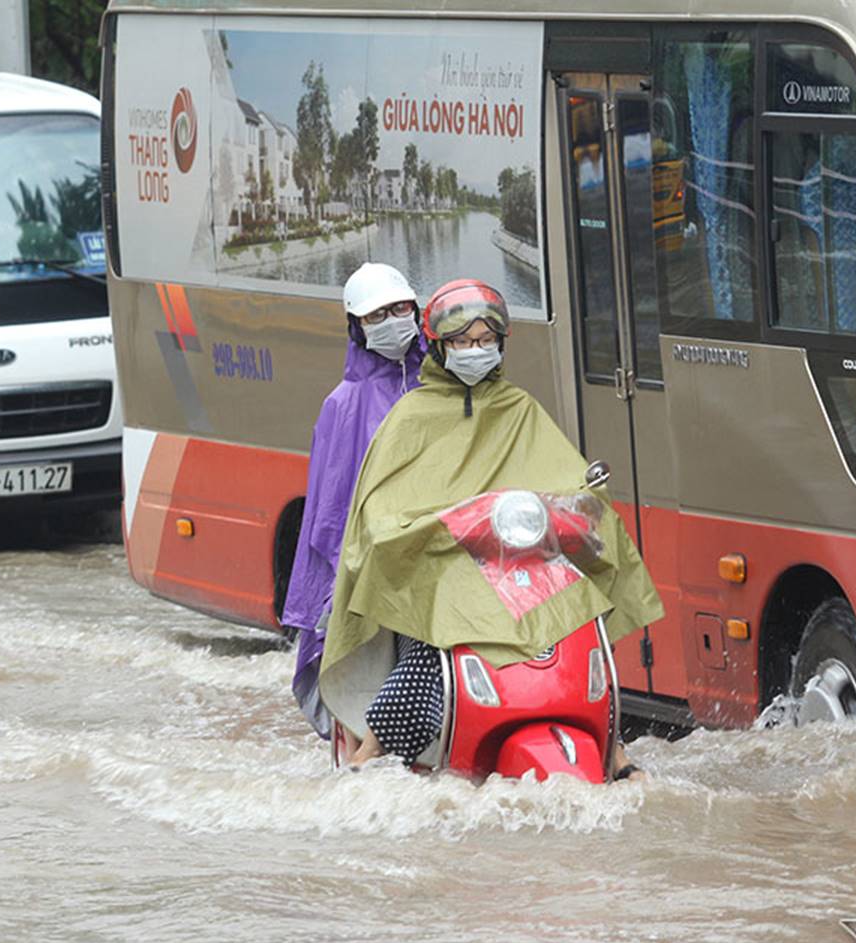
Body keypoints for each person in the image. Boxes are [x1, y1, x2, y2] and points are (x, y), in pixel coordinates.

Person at [317, 279, 664, 779]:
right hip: (443, 570)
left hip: (519, 567)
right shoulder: (410, 418)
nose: (474, 351)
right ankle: (369, 755)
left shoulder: (519, 409)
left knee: (582, 608)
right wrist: (444, 526)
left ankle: (614, 748)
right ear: (438, 346)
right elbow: (381, 516)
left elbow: (563, 477)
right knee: (434, 646)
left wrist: (581, 505)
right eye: (462, 342)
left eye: (484, 341)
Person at [280, 262, 426, 737]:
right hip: (377, 568)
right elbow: (330, 510)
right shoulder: (342, 406)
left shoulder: (442, 386)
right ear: (356, 328)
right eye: (376, 315)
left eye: (399, 309)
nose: (391, 320)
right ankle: (374, 745)